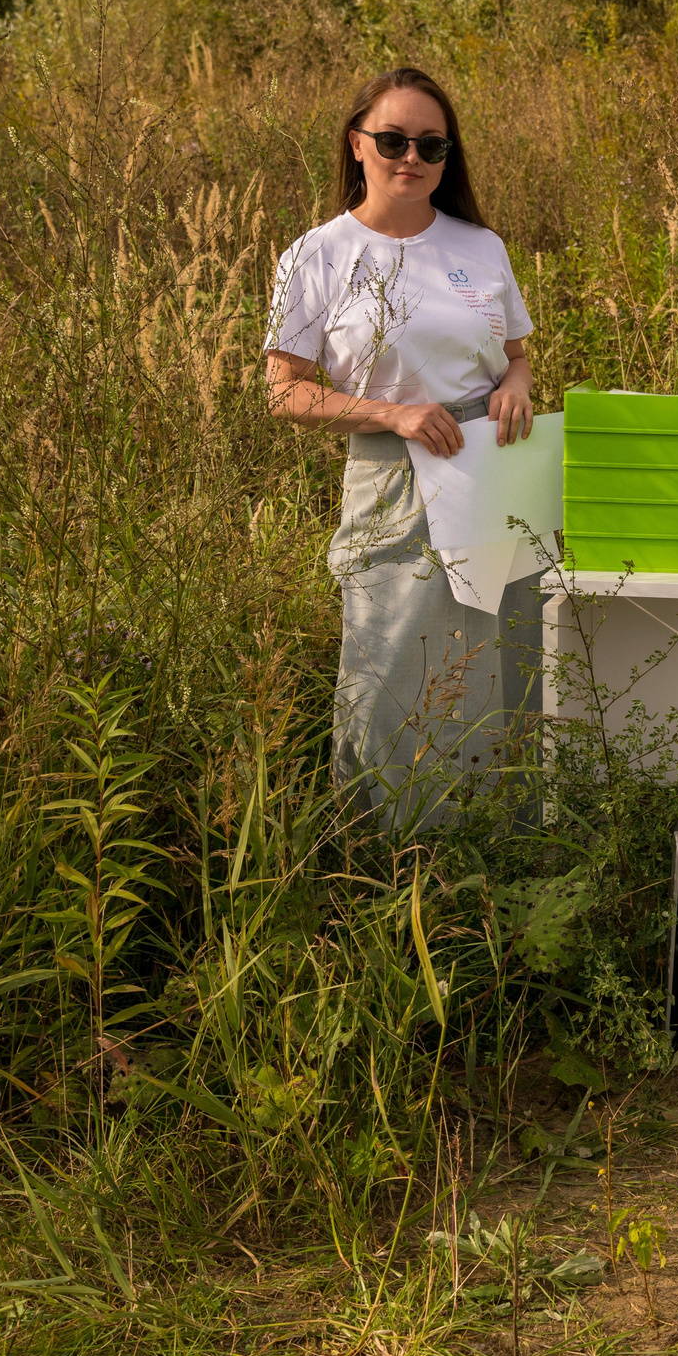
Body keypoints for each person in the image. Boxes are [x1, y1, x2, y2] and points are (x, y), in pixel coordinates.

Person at [264, 67, 540, 831]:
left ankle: (500, 849)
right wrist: (393, 414)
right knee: (392, 668)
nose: (409, 156)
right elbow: (283, 390)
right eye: (391, 140)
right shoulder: (317, 255)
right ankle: (389, 858)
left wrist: (515, 384)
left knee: (501, 667)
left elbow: (514, 353)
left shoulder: (480, 245)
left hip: (493, 473)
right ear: (357, 145)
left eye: (430, 144)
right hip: (391, 480)